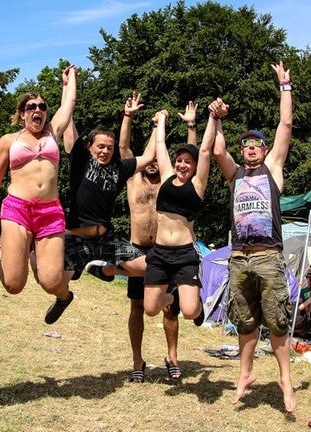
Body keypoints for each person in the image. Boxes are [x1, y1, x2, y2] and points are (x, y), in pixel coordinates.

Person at [212, 61, 295, 412]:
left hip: (268, 256)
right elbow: (217, 151)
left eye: (255, 145)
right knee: (244, 320)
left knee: (276, 319)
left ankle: (285, 380)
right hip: (238, 258)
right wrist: (215, 118)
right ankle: (245, 374)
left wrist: (285, 86)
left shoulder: (272, 169)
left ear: (263, 151)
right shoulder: (234, 176)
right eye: (244, 144)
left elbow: (285, 124)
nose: (249, 148)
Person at [0, 65, 77, 324]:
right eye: (31, 107)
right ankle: (9, 258)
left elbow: (70, 104)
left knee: (51, 281)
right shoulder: (9, 141)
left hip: (50, 211)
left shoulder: (52, 132)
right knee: (13, 284)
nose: (38, 110)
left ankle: (64, 297)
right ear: (22, 114)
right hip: (17, 209)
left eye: (42, 107)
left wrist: (68, 81)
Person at [122, 99, 198, 383]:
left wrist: (191, 125)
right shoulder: (134, 180)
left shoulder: (171, 184)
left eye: (158, 159)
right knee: (138, 307)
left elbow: (192, 159)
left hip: (168, 250)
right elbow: (124, 149)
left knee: (171, 308)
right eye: (149, 160)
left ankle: (172, 357)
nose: (154, 163)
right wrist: (128, 117)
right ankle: (137, 360)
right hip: (139, 248)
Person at [142, 100, 216, 378]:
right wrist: (160, 121)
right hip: (160, 254)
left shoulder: (197, 185)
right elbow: (159, 147)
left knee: (188, 310)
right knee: (150, 309)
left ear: (195, 167)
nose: (183, 164)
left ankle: (196, 309)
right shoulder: (165, 177)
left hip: (185, 253)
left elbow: (206, 149)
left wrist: (211, 118)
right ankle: (171, 294)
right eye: (180, 160)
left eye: (188, 161)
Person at [60, 93, 155, 287]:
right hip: (76, 239)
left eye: (109, 148)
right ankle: (64, 296)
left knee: (147, 267)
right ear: (89, 147)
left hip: (105, 240)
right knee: (56, 281)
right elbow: (67, 124)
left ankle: (103, 270)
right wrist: (67, 88)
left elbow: (149, 156)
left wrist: (157, 125)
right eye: (100, 147)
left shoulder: (119, 168)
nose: (105, 151)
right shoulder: (80, 161)